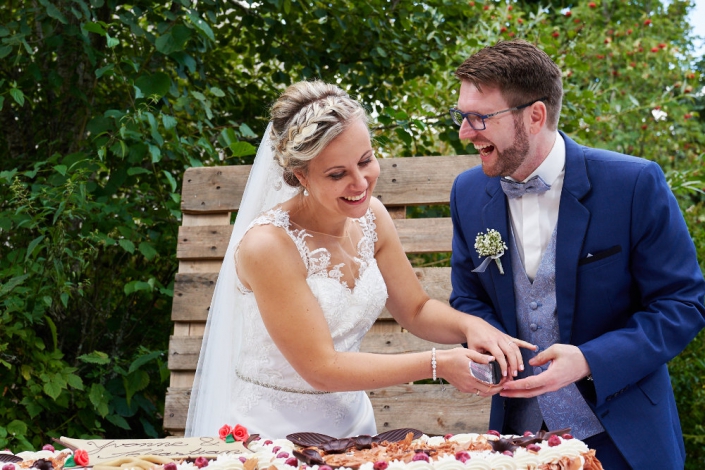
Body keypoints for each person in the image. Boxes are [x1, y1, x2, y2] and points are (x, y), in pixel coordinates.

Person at [185, 80, 535, 440]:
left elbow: (415, 309)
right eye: (337, 174)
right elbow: (321, 367)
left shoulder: (373, 218)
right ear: (301, 175)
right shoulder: (268, 246)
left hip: (354, 428)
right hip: (270, 434)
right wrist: (438, 364)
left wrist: (470, 326)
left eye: (366, 160)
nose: (360, 182)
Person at [448, 39, 705, 469]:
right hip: (515, 443)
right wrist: (492, 344)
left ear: (535, 116)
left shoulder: (633, 183)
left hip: (624, 440)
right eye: (461, 116)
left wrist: (589, 360)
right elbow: (468, 298)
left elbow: (682, 303)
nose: (464, 132)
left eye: (480, 118)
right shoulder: (468, 193)